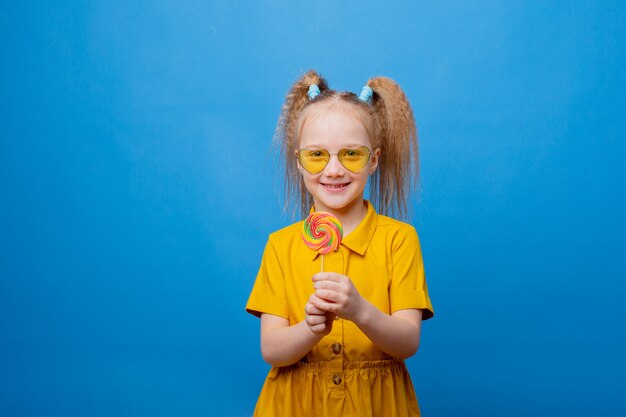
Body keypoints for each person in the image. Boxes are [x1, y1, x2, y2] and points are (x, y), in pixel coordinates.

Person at [246, 70, 434, 417]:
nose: (333, 170)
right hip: (295, 404)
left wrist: (360, 311)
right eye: (317, 155)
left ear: (374, 160)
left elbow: (407, 343)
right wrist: (309, 328)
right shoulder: (280, 246)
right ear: (298, 161)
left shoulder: (399, 240)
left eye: (351, 154)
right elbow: (272, 350)